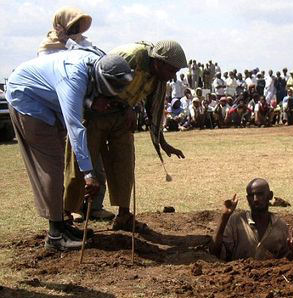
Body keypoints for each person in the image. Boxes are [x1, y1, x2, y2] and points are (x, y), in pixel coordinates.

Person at [5, 47, 133, 250]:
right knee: (52, 167)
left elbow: (82, 99)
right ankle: (56, 236)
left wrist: (92, 102)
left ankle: (62, 226)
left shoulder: (98, 63)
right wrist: (88, 173)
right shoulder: (73, 78)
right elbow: (75, 126)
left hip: (46, 102)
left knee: (56, 163)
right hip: (27, 98)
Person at [64, 40, 187, 233]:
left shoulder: (158, 78)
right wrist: (97, 104)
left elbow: (152, 108)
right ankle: (66, 218)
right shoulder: (132, 57)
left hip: (121, 118)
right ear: (159, 62)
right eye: (172, 71)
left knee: (124, 164)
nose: (173, 77)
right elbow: (93, 81)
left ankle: (124, 215)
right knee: (80, 165)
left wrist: (162, 142)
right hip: (94, 114)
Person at [38, 7, 113, 221]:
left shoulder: (85, 45)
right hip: (60, 113)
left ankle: (93, 208)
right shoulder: (48, 48)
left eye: (80, 24)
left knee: (95, 162)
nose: (77, 28)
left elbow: (97, 61)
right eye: (74, 24)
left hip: (87, 111)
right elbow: (64, 78)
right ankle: (68, 210)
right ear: (61, 24)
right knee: (69, 166)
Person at [210, 178, 293, 261]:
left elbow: (286, 264)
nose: (255, 199)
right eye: (251, 195)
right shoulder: (236, 221)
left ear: (270, 195)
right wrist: (224, 217)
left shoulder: (280, 226)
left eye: (260, 194)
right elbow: (215, 252)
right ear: (247, 198)